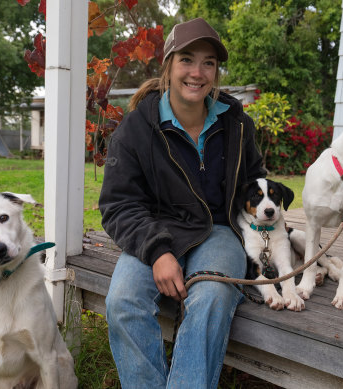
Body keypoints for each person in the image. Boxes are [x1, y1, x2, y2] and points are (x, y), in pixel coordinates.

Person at [99, 17, 266, 389]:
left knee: (212, 298)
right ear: (168, 65)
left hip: (219, 232)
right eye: (187, 59)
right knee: (123, 302)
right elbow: (118, 204)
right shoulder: (136, 129)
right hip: (155, 230)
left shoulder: (238, 124)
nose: (197, 72)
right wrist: (158, 252)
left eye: (209, 62)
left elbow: (255, 184)